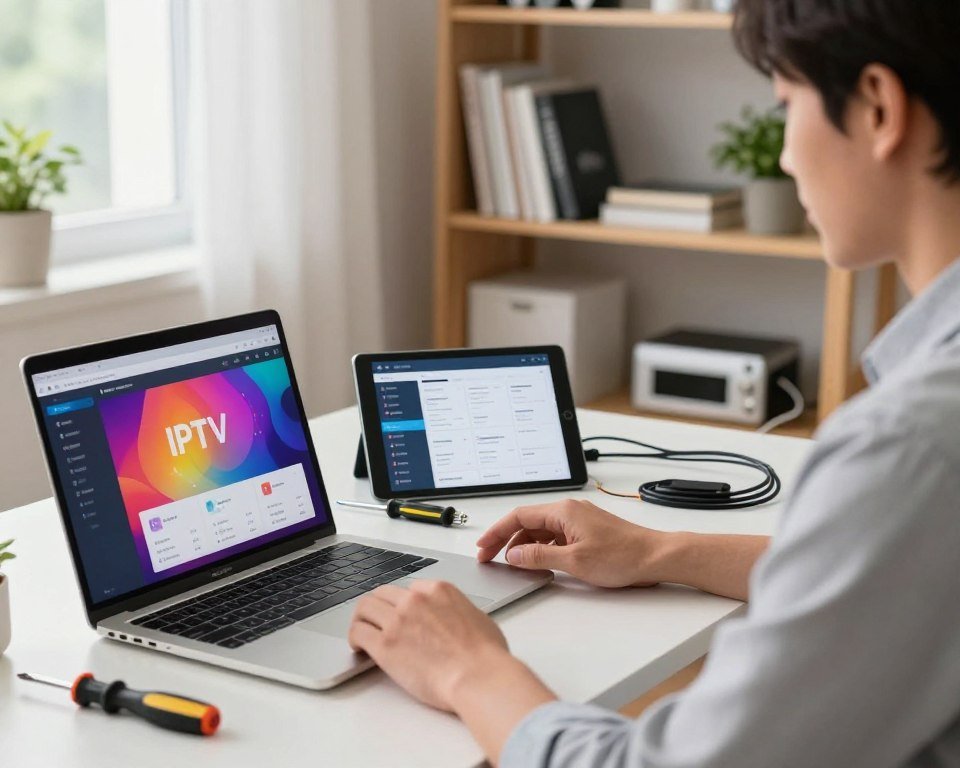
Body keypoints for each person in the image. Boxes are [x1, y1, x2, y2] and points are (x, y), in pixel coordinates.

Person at [347, 1, 960, 765]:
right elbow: (889, 578)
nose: (785, 158)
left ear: (877, 106)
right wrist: (661, 551)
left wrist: (471, 668)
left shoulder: (911, 443)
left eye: (786, 107)